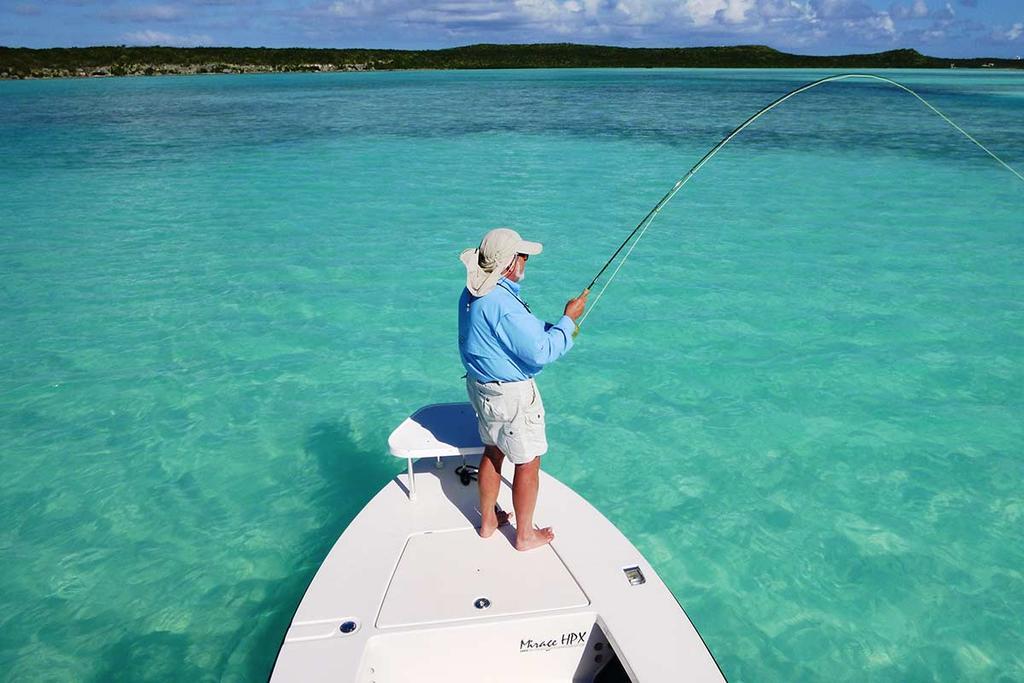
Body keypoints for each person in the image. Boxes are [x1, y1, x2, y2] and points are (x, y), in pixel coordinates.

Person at [458, 228, 588, 551]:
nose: (526, 261)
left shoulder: (471, 295)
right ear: (509, 264)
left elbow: (508, 336)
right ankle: (525, 534)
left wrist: (550, 326)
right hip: (511, 397)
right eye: (523, 256)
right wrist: (568, 321)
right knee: (527, 461)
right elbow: (541, 351)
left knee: (492, 449)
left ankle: (488, 521)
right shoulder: (502, 303)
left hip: (481, 388)